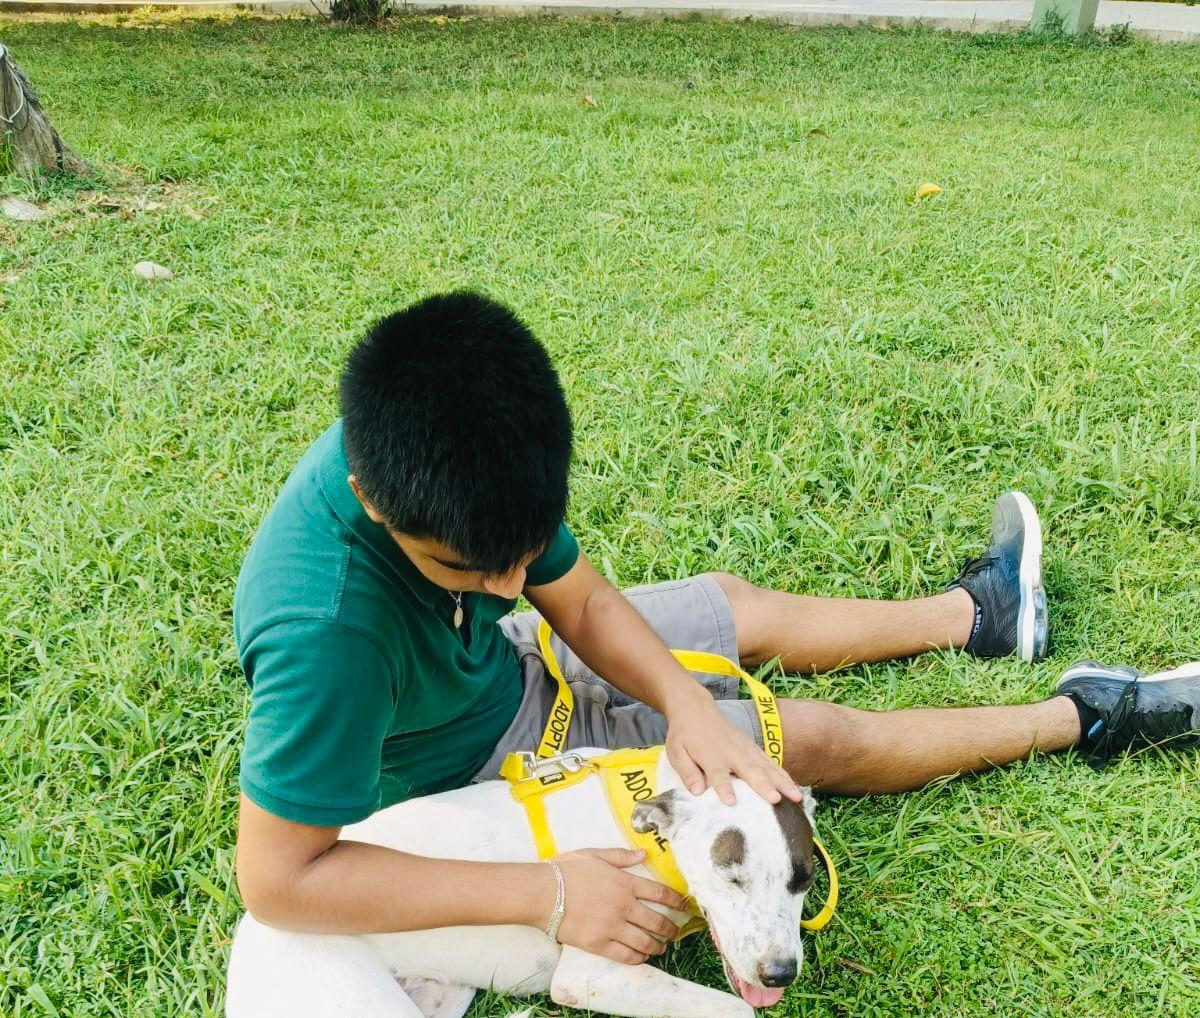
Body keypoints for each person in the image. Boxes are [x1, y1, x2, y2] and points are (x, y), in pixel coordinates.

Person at [233, 291, 1200, 966]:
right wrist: (549, 893)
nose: (509, 584)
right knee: (797, 744)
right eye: (471, 571)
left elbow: (576, 601)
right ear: (369, 499)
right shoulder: (329, 637)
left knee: (729, 609)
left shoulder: (463, 450)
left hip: (501, 672)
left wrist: (685, 705)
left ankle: (983, 617)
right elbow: (280, 882)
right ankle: (1092, 714)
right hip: (484, 759)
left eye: (524, 552)